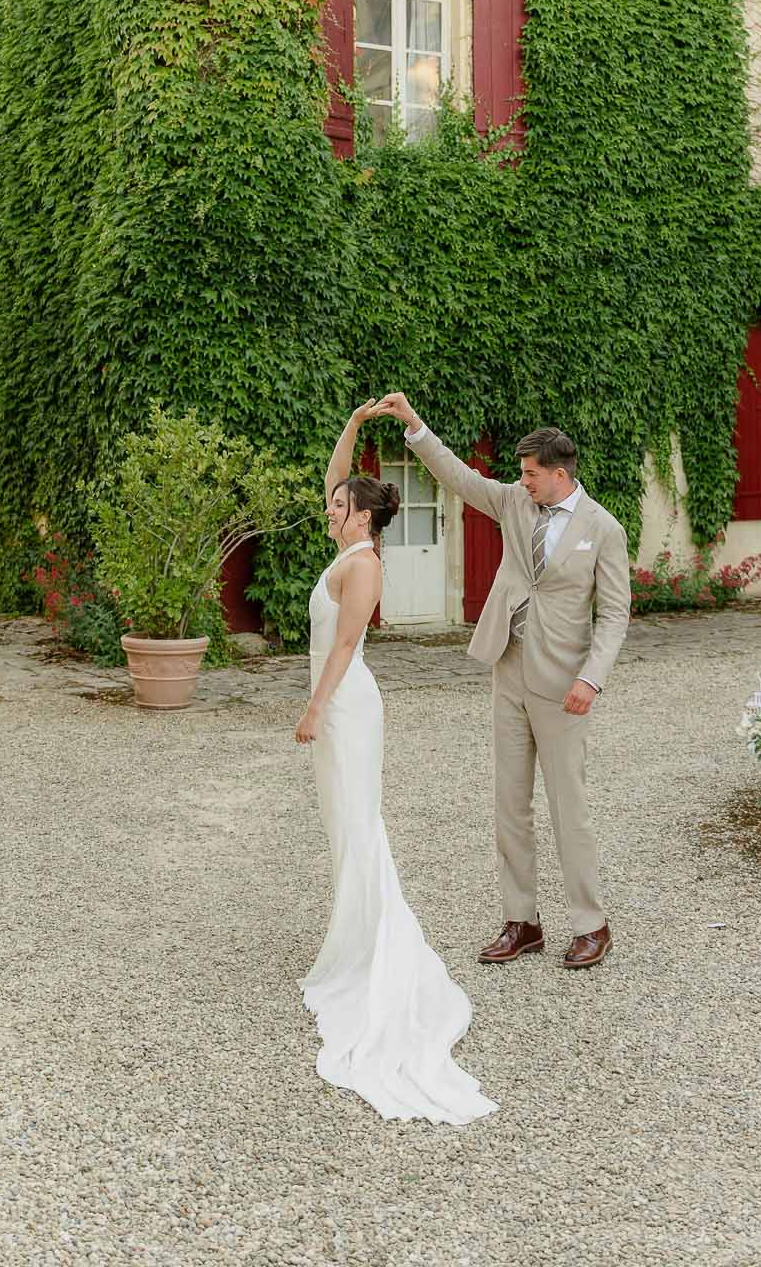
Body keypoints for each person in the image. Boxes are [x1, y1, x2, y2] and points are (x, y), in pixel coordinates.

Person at [370, 394, 630, 972]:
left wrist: (591, 679)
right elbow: (460, 479)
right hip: (507, 666)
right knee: (509, 804)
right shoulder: (514, 501)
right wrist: (414, 425)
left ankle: (591, 924)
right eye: (522, 474)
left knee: (569, 807)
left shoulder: (603, 529)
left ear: (559, 474)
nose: (523, 482)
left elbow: (615, 615)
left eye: (531, 474)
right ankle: (522, 921)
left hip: (564, 683)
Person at [294, 400, 497, 1125]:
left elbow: (347, 645)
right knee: (340, 822)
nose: (330, 506)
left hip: (347, 707)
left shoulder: (364, 568)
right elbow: (335, 475)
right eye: (334, 502)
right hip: (337, 704)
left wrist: (314, 708)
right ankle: (351, 932)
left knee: (357, 821)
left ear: (361, 519)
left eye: (339, 505)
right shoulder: (346, 548)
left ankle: (368, 948)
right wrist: (353, 423)